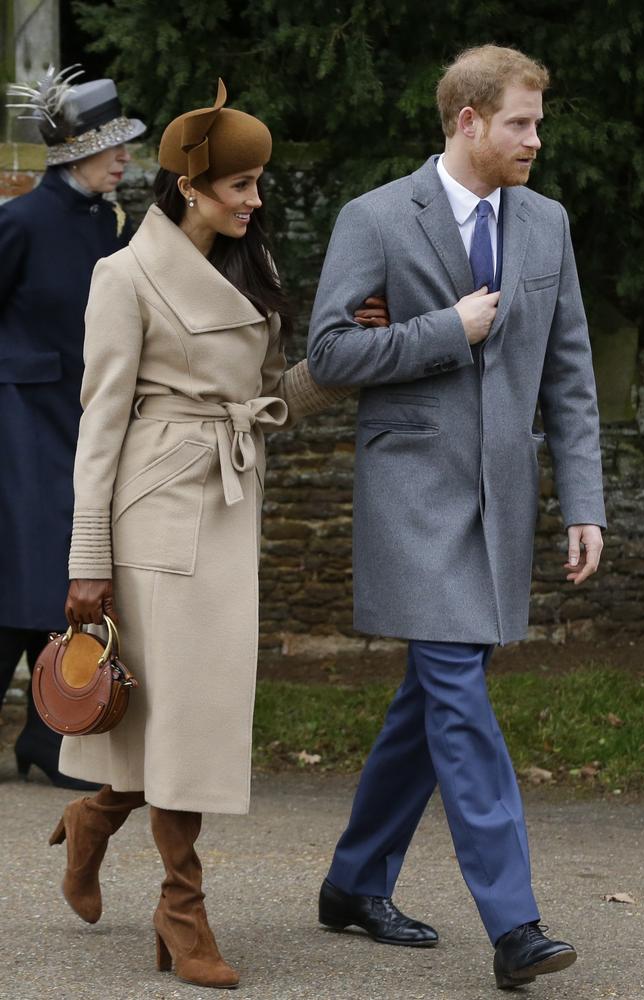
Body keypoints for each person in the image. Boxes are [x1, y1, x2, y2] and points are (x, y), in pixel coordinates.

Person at [54, 80, 387, 990]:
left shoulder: (248, 270)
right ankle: (182, 909)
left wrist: (340, 363)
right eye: (240, 185)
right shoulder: (122, 276)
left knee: (184, 720)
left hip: (228, 502)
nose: (255, 200)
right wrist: (86, 563)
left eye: (259, 183)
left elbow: (264, 408)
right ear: (189, 188)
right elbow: (98, 424)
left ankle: (95, 820)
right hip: (153, 510)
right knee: (182, 721)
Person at [307, 44, 605, 990]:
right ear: (468, 120)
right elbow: (327, 354)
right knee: (458, 697)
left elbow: (571, 373)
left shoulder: (547, 224)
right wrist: (449, 330)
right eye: (520, 122)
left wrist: (584, 503)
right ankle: (516, 924)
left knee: (430, 699)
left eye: (538, 122)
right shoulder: (378, 217)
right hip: (413, 496)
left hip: (502, 500)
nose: (536, 139)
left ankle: (354, 882)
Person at [0, 66, 145, 787]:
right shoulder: (20, 221)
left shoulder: (114, 225)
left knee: (65, 566)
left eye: (124, 144)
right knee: (31, 563)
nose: (123, 156)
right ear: (71, 150)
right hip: (22, 421)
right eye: (108, 144)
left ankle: (49, 733)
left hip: (88, 419)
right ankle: (48, 734)